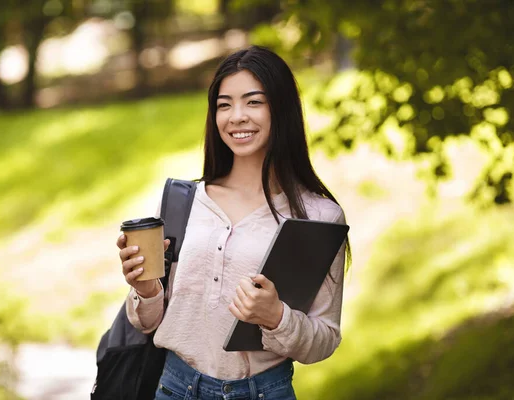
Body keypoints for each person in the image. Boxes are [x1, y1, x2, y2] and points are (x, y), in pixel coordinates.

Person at [117, 45, 350, 400]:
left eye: (253, 102)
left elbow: (324, 339)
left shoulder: (317, 217)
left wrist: (277, 317)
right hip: (174, 388)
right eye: (224, 104)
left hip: (262, 391)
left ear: (281, 109)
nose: (236, 116)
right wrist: (147, 291)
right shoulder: (185, 202)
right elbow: (148, 323)